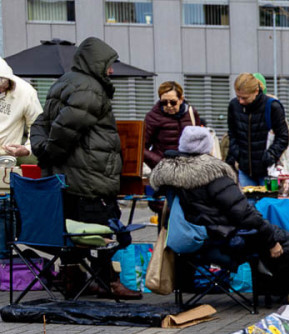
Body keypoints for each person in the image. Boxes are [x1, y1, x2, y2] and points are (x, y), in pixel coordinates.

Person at [29, 37, 141, 300]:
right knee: (102, 229)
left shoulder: (64, 82)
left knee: (73, 230)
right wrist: (49, 150)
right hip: (90, 175)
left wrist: (42, 150)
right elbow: (66, 128)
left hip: (68, 175)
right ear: (95, 63)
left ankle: (75, 280)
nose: (111, 70)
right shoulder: (90, 89)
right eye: (108, 64)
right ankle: (109, 282)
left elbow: (40, 123)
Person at [150, 126, 289, 294]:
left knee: (267, 235)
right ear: (207, 147)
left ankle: (286, 289)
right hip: (219, 238)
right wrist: (270, 239)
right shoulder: (212, 173)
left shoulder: (170, 173)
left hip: (194, 237)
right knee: (284, 240)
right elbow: (243, 213)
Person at [226, 72, 289, 187]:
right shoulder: (234, 106)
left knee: (267, 203)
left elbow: (283, 137)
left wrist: (270, 156)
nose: (240, 101)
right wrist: (237, 154)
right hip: (244, 169)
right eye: (238, 96)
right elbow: (232, 133)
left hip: (268, 171)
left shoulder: (272, 107)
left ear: (256, 91)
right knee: (247, 204)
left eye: (244, 98)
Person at [142, 81, 204, 168]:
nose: (169, 105)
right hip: (165, 168)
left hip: (189, 167)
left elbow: (200, 140)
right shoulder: (153, 117)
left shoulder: (191, 113)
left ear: (181, 99)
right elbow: (141, 148)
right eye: (164, 102)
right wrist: (160, 163)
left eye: (173, 102)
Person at [0, 57, 43, 163]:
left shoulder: (26, 92)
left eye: (2, 89)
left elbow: (38, 125)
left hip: (5, 157)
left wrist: (28, 149)